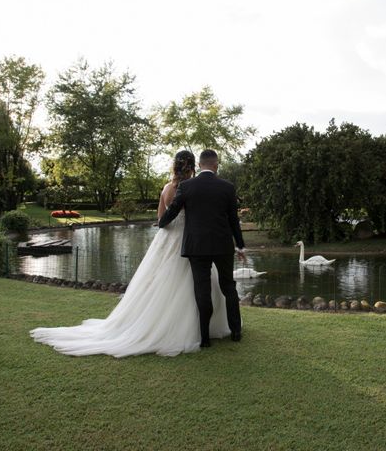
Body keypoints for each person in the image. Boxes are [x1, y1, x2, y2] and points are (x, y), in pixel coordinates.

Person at [30, 150, 231, 357]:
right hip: (191, 241)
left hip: (168, 239)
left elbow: (161, 218)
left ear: (175, 166)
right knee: (199, 283)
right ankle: (200, 329)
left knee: (161, 284)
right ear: (193, 166)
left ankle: (160, 323)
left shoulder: (166, 189)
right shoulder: (192, 189)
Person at [158, 149, 246, 348]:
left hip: (196, 246)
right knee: (228, 288)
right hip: (223, 245)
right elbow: (234, 220)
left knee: (202, 290)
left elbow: (172, 210)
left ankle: (205, 338)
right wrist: (240, 245)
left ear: (200, 165)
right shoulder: (228, 187)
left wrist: (162, 223)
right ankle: (236, 332)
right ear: (216, 165)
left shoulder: (187, 186)